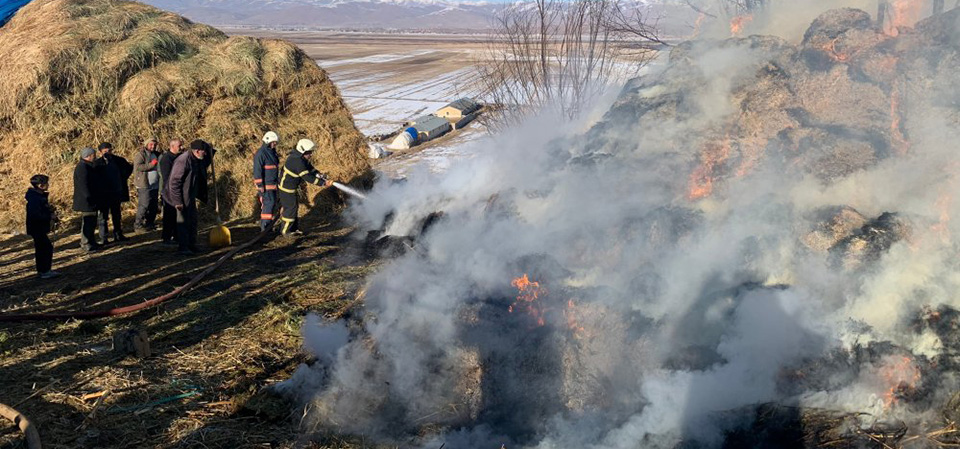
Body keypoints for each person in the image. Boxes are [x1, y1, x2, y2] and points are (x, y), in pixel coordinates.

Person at [278, 138, 333, 237]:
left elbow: (309, 168)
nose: (311, 154)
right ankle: (286, 231)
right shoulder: (297, 161)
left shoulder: (300, 158)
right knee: (291, 208)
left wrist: (319, 174)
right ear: (303, 151)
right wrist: (323, 183)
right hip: (286, 189)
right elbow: (308, 177)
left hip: (291, 188)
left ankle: (293, 229)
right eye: (309, 152)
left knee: (293, 208)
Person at [165, 139, 210, 255]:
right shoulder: (183, 161)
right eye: (204, 151)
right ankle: (183, 247)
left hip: (189, 195)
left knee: (192, 221)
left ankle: (191, 244)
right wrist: (178, 202)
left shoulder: (196, 159)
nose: (205, 153)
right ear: (197, 151)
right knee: (183, 222)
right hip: (178, 197)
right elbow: (174, 182)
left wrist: (210, 149)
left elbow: (207, 161)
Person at [95, 142, 133, 244]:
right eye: (105, 151)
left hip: (116, 192)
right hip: (103, 194)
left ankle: (118, 234)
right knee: (103, 217)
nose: (108, 153)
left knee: (116, 215)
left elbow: (129, 168)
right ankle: (103, 237)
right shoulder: (97, 163)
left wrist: (122, 178)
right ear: (100, 152)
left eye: (109, 150)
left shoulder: (119, 160)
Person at [26, 174, 60, 279]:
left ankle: (44, 270)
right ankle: (44, 270)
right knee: (44, 248)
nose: (48, 185)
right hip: (37, 227)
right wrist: (49, 216)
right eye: (46, 183)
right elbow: (36, 214)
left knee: (43, 248)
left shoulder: (38, 196)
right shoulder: (35, 199)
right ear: (40, 185)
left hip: (39, 227)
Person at [73, 147, 102, 252]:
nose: (95, 157)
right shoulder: (82, 167)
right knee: (88, 222)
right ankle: (85, 243)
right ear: (88, 156)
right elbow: (83, 185)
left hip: (91, 199)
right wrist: (89, 197)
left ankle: (91, 241)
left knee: (92, 222)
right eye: (93, 155)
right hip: (86, 201)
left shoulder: (88, 166)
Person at [253, 131, 281, 231]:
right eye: (273, 142)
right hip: (266, 186)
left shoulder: (272, 152)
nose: (275, 144)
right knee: (268, 205)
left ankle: (268, 226)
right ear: (268, 141)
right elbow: (257, 170)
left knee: (272, 204)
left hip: (272, 184)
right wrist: (260, 184)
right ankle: (264, 227)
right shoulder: (261, 153)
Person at [133, 136, 161, 231]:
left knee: (153, 205)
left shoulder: (156, 154)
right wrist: (151, 164)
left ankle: (150, 223)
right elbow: (138, 167)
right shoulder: (140, 155)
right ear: (146, 144)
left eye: (154, 144)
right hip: (144, 185)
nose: (153, 146)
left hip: (155, 185)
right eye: (151, 144)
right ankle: (138, 225)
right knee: (144, 205)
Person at [159, 138, 183, 245]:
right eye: (179, 146)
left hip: (177, 189)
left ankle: (177, 235)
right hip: (169, 191)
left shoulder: (178, 157)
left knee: (177, 215)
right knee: (169, 215)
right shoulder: (166, 159)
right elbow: (167, 176)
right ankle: (166, 237)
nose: (181, 148)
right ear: (172, 146)